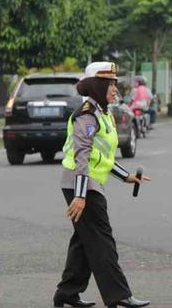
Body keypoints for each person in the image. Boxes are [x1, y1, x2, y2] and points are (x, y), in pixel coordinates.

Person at [55, 62, 151, 308]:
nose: (114, 88)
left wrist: (125, 176)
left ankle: (67, 293)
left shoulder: (103, 112)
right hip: (81, 184)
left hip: (88, 182)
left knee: (84, 240)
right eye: (110, 84)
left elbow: (102, 156)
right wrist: (80, 196)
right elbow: (82, 157)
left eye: (115, 83)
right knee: (102, 240)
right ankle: (118, 295)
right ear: (97, 86)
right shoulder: (86, 115)